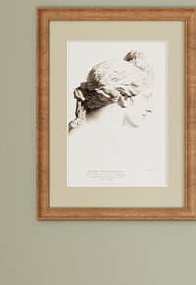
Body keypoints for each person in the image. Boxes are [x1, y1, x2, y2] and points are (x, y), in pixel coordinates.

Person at [67, 49, 158, 185]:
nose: (150, 108)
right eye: (145, 98)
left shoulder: (94, 143)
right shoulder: (89, 150)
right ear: (124, 98)